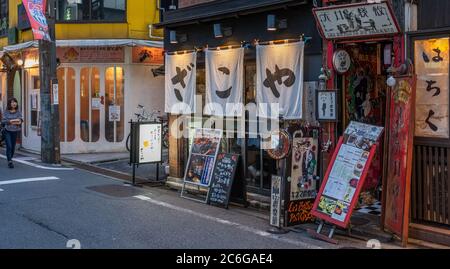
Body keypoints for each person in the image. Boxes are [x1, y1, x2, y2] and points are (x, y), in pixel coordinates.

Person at [1, 98, 23, 168]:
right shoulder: (6, 112)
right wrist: (11, 121)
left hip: (15, 131)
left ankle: (10, 157)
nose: (14, 103)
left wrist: (18, 121)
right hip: (7, 131)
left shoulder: (18, 111)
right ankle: (9, 161)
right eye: (12, 102)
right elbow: (3, 121)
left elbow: (20, 120)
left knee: (13, 147)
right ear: (9, 104)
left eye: (15, 102)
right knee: (9, 146)